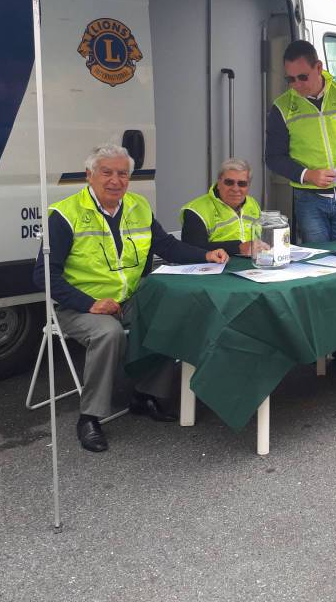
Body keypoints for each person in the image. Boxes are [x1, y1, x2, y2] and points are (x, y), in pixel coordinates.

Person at [34, 144, 229, 453]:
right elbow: (44, 275)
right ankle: (90, 417)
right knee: (108, 334)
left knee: (170, 314)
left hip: (128, 300)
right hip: (79, 306)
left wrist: (207, 254)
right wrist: (90, 304)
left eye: (122, 174)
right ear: (89, 175)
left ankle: (146, 395)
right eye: (107, 172)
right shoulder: (65, 214)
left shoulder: (138, 206)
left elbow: (167, 247)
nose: (115, 180)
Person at [265, 40, 336, 243]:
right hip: (308, 201)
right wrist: (307, 174)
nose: (296, 85)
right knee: (318, 264)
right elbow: (273, 158)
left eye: (302, 77)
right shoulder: (281, 107)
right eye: (290, 79)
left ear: (318, 67)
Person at [181, 158, 261, 257]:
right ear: (218, 183)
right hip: (214, 267)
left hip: (252, 266)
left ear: (248, 186)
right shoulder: (196, 210)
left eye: (242, 184)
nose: (235, 189)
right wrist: (238, 247)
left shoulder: (253, 204)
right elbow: (191, 248)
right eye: (229, 182)